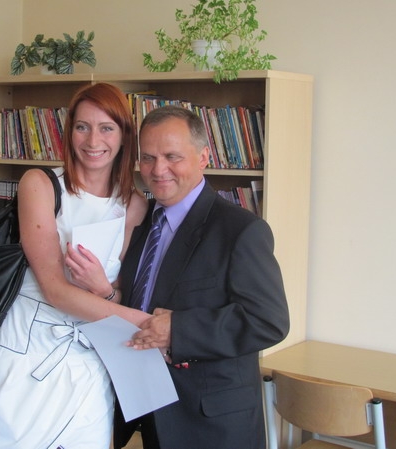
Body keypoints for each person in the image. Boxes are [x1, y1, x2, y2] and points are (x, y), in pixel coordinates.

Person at [0, 83, 151, 449]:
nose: (93, 140)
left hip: (88, 366)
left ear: (123, 136)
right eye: (82, 127)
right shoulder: (40, 184)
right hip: (25, 359)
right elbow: (54, 289)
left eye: (106, 128)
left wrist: (105, 289)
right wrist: (151, 325)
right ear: (69, 132)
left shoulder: (134, 206)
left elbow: (118, 293)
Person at [113, 105, 290, 449]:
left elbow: (268, 321)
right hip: (151, 410)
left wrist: (177, 330)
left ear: (204, 157)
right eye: (148, 158)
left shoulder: (241, 230)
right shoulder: (141, 222)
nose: (158, 170)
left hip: (212, 426)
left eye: (172, 157)